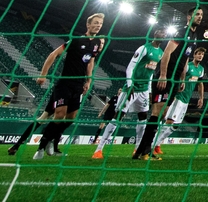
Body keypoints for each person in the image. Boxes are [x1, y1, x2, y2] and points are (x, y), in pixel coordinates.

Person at [32, 13, 105, 160]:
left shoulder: (97, 43)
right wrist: (43, 74)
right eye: (95, 23)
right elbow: (54, 54)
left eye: (100, 24)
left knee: (71, 118)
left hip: (78, 85)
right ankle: (41, 146)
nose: (98, 25)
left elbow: (90, 62)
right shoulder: (76, 40)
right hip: (64, 83)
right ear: (88, 25)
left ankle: (51, 138)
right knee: (59, 114)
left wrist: (89, 81)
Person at [93, 29, 166, 161]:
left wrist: (149, 91)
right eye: (160, 32)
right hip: (131, 89)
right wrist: (130, 83)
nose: (162, 35)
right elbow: (130, 67)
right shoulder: (144, 48)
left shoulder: (161, 53)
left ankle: (137, 149)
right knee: (119, 116)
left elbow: (150, 74)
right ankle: (99, 150)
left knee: (143, 117)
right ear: (155, 34)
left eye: (164, 33)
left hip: (144, 90)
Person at [151, 7, 204, 155]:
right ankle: (149, 145)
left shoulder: (194, 37)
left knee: (167, 118)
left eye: (201, 15)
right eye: (197, 14)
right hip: (171, 82)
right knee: (161, 115)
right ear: (189, 16)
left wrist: (183, 80)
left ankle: (154, 143)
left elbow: (186, 61)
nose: (200, 17)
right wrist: (163, 74)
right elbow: (167, 52)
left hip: (180, 88)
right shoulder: (182, 32)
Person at [153, 47, 206, 151]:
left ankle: (157, 143)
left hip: (186, 100)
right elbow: (179, 77)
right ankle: (154, 144)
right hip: (179, 97)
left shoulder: (201, 70)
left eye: (202, 54)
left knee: (175, 126)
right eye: (198, 54)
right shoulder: (187, 66)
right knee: (170, 121)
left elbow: (200, 84)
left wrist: (201, 98)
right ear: (194, 55)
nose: (200, 56)